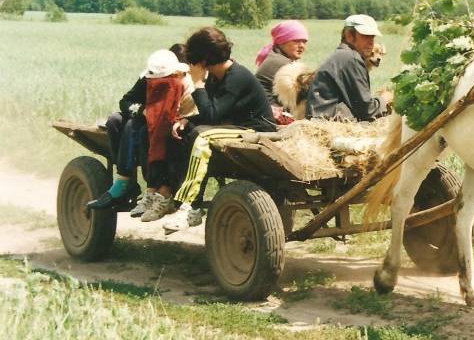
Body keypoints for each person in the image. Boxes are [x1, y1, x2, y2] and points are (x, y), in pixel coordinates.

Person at [156, 27, 277, 231]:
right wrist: (186, 120)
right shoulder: (215, 76)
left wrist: (196, 82)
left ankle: (190, 208)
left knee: (201, 136)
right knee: (182, 132)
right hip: (234, 127)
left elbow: (212, 115)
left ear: (202, 60)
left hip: (255, 130)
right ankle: (172, 195)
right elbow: (209, 113)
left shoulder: (236, 76)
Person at [88, 45, 195, 219]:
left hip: (170, 122)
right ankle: (125, 178)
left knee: (141, 129)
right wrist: (143, 111)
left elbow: (188, 112)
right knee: (116, 121)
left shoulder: (184, 84)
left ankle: (151, 189)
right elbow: (126, 101)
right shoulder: (147, 78)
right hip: (145, 116)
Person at [305, 14, 392, 122]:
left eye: (372, 37)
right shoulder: (351, 58)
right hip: (330, 123)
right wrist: (384, 99)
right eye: (365, 36)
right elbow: (367, 111)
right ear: (349, 35)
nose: (371, 42)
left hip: (324, 119)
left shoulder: (344, 55)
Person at [254, 20, 309, 103]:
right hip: (269, 113)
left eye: (304, 41)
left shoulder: (274, 55)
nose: (302, 46)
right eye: (296, 41)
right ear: (282, 42)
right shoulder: (281, 63)